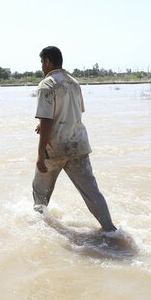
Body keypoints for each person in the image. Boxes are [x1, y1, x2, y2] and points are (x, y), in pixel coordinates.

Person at [32, 46, 117, 232]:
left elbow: (47, 119)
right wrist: (46, 124)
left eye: (41, 63)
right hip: (78, 145)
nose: (41, 67)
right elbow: (74, 114)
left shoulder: (46, 84)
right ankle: (111, 231)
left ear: (47, 62)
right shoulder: (74, 83)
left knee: (40, 192)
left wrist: (40, 154)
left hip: (55, 148)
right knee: (92, 193)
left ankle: (39, 234)